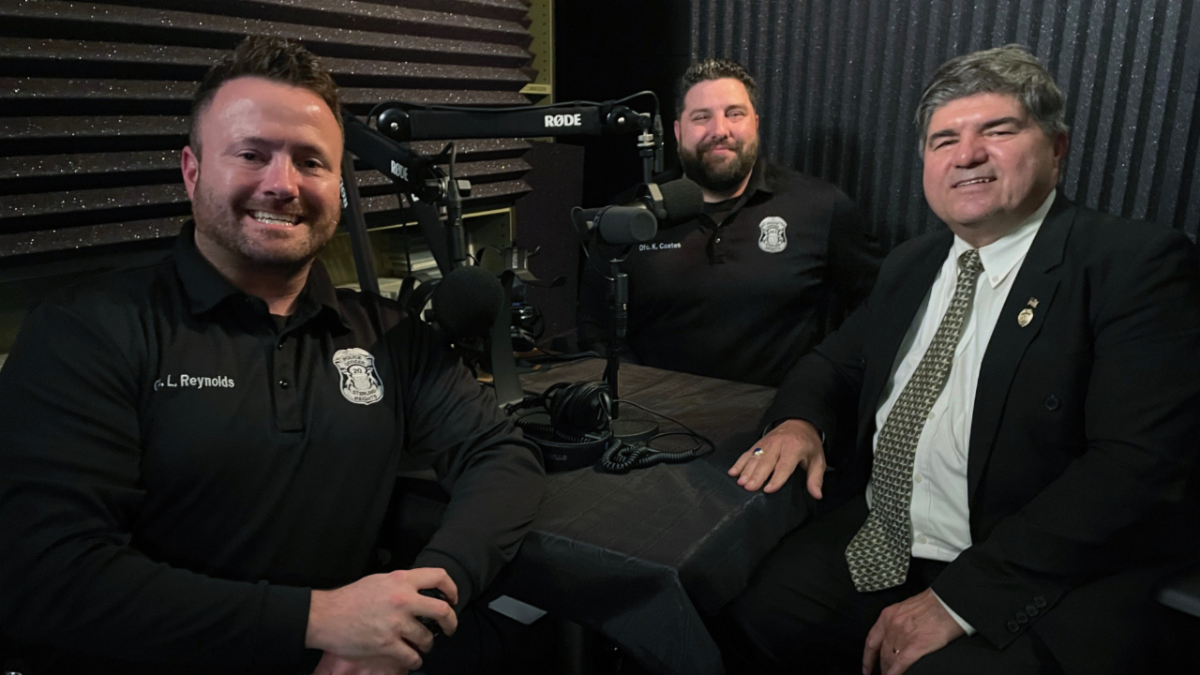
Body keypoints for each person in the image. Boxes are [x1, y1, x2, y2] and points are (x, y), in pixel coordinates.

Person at [0, 36, 544, 675]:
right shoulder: (87, 331)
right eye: (251, 154)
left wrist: (416, 605)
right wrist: (316, 620)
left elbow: (501, 455)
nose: (282, 184)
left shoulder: (387, 335)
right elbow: (43, 573)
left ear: (339, 186)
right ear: (192, 171)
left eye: (311, 162)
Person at [722, 45, 1200, 674]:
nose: (967, 155)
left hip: (1036, 569)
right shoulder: (911, 264)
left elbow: (1137, 467)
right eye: (944, 139)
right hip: (886, 534)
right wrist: (798, 421)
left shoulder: (1135, 263)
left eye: (997, 131)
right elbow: (832, 364)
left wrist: (962, 599)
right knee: (749, 613)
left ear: (1057, 148)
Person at [577, 59, 883, 387]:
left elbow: (878, 307)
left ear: (756, 124)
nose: (719, 131)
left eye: (734, 114)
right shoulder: (629, 216)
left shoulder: (820, 207)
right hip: (658, 412)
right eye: (701, 117)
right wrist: (638, 395)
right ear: (678, 131)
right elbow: (596, 328)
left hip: (780, 413)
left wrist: (821, 387)